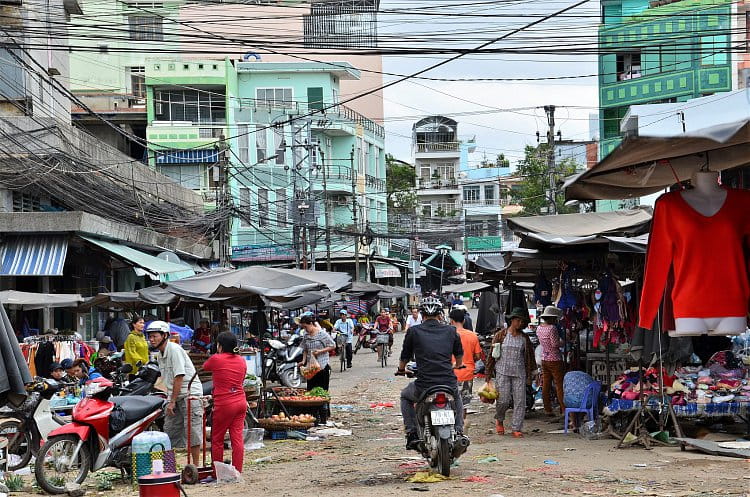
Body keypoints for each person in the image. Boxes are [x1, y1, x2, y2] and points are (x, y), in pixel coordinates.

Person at [398, 296, 466, 450]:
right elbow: (459, 354)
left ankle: (412, 433)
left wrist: (401, 369)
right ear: (440, 314)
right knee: (457, 397)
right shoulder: (451, 330)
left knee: (405, 396)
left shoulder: (413, 331)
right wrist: (459, 365)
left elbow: (405, 356)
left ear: (422, 314)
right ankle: (459, 430)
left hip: (424, 386)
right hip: (448, 383)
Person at [146, 320, 203, 464]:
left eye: (154, 336)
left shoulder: (174, 350)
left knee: (192, 432)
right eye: (150, 337)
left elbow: (179, 376)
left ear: (164, 335)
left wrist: (172, 401)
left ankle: (195, 465)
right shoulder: (160, 355)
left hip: (190, 394)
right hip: (175, 396)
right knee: (169, 431)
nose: (151, 339)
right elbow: (166, 379)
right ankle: (168, 466)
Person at [485, 307, 537, 438]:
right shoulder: (500, 335)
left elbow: (530, 356)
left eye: (522, 321)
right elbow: (491, 355)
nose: (520, 324)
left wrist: (534, 373)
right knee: (503, 400)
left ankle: (516, 427)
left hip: (519, 373)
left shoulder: (524, 338)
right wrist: (488, 375)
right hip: (502, 372)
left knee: (520, 401)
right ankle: (500, 419)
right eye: (518, 321)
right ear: (512, 320)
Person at [202, 331, 248, 477]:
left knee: (217, 439)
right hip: (241, 401)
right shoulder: (241, 360)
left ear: (220, 346)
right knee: (237, 438)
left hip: (225, 404)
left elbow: (205, 366)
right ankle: (237, 471)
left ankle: (217, 473)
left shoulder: (217, 358)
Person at [450, 308, 482, 414]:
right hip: (467, 374)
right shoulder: (472, 336)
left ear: (451, 320)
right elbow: (478, 356)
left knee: (450, 402)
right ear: (464, 321)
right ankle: (461, 425)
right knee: (463, 405)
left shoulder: (447, 335)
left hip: (450, 374)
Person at [536, 306, 566, 416]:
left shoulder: (539, 328)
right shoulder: (552, 328)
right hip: (555, 359)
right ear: (553, 318)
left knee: (546, 384)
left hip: (544, 358)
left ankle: (547, 408)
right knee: (559, 385)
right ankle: (563, 409)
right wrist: (562, 342)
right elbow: (555, 344)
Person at [297, 314, 336, 391]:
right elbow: (305, 349)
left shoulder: (322, 334)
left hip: (322, 366)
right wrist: (303, 360)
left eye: (306, 327)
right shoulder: (306, 335)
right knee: (311, 390)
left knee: (322, 390)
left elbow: (333, 346)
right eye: (303, 327)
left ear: (311, 324)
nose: (305, 329)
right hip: (311, 368)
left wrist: (320, 351)